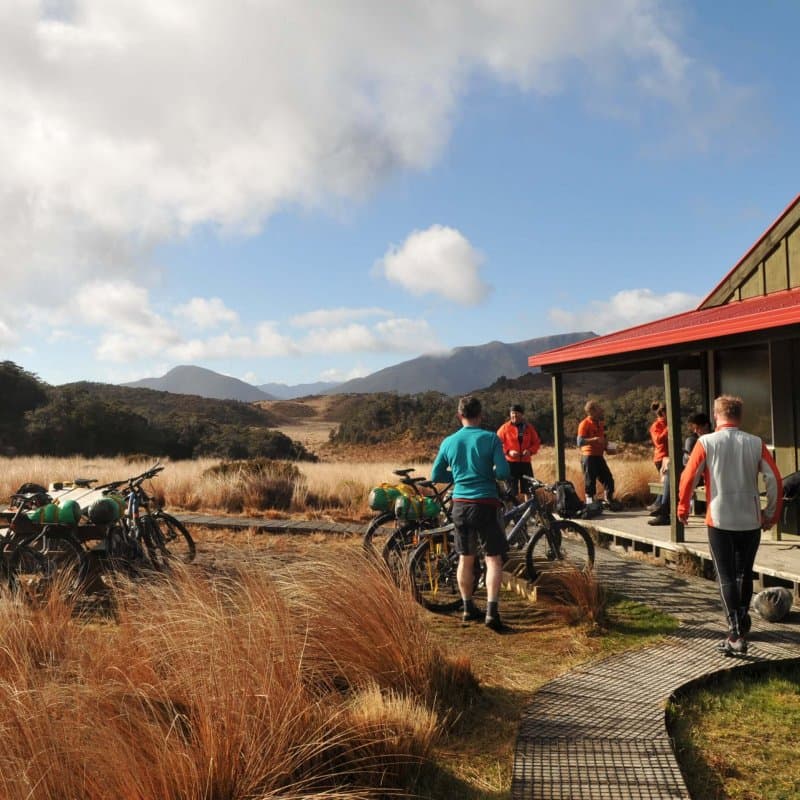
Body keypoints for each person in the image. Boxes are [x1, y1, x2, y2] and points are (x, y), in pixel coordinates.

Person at [678, 395, 782, 656]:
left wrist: (682, 507)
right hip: (750, 519)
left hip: (719, 518)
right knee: (744, 573)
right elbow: (775, 481)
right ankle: (741, 624)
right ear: (740, 416)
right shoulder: (756, 443)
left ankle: (735, 635)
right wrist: (771, 514)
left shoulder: (706, 442)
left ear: (716, 415)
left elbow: (688, 477)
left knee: (725, 576)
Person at [431, 395, 511, 631]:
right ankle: (491, 613)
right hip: (486, 503)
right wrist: (488, 472)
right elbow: (504, 472)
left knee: (465, 558)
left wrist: (456, 476)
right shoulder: (491, 438)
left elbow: (436, 475)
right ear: (481, 415)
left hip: (461, 505)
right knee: (493, 559)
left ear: (459, 415)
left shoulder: (449, 441)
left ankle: (467, 608)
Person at [649, 411, 712, 526]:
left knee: (673, 474)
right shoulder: (694, 438)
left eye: (697, 428)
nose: (695, 431)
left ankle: (664, 510)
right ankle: (663, 509)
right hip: (692, 475)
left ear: (706, 425)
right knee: (671, 472)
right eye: (693, 428)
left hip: (703, 476)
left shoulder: (708, 440)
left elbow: (694, 464)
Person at [577, 400, 618, 508]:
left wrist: (608, 448)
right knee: (590, 480)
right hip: (588, 456)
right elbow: (579, 442)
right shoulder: (584, 424)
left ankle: (608, 499)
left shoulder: (600, 423)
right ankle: (590, 504)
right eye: (598, 408)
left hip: (599, 456)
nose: (601, 410)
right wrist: (594, 440)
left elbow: (602, 439)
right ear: (592, 411)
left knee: (608, 479)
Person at [496, 403, 541, 497]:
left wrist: (530, 451)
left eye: (517, 413)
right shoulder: (504, 428)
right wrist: (508, 451)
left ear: (522, 414)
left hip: (525, 463)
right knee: (511, 491)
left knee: (529, 490)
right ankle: (514, 510)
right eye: (512, 413)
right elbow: (497, 444)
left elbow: (536, 442)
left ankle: (529, 510)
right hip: (511, 464)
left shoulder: (529, 428)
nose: (514, 415)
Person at [647, 402, 669, 517]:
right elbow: (658, 440)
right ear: (663, 412)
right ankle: (659, 505)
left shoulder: (666, 423)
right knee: (666, 481)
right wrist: (667, 430)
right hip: (661, 458)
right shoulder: (656, 425)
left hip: (669, 457)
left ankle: (657, 504)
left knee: (665, 482)